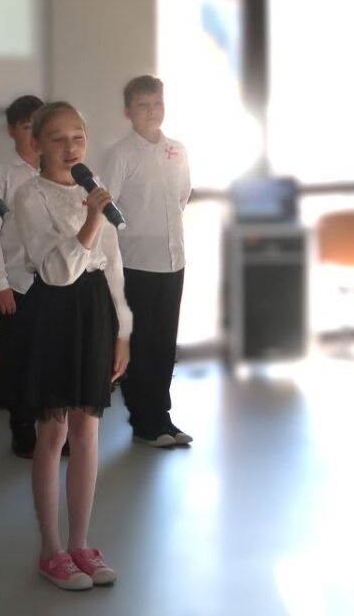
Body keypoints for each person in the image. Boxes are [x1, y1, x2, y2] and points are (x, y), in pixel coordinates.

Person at [10, 102, 130, 590]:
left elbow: (113, 265)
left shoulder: (92, 186)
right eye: (57, 138)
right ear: (36, 144)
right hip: (56, 309)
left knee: (88, 429)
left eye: (77, 136)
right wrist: (92, 220)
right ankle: (51, 549)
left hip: (96, 308)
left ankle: (81, 543)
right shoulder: (30, 195)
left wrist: (122, 331)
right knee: (54, 430)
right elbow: (57, 272)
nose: (70, 147)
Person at [100, 75, 193, 447]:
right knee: (140, 342)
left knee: (165, 342)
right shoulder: (120, 154)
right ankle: (143, 420)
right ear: (128, 112)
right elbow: (106, 209)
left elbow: (182, 196)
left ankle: (162, 416)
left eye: (157, 103)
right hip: (136, 262)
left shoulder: (177, 150)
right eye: (143, 105)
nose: (152, 111)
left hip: (173, 258)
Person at [0, 94, 44, 458]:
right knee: (20, 359)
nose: (34, 135)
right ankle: (23, 428)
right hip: (17, 281)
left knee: (51, 356)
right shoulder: (2, 175)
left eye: (40, 126)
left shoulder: (62, 168)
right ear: (11, 130)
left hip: (57, 281)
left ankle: (55, 427)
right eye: (26, 126)